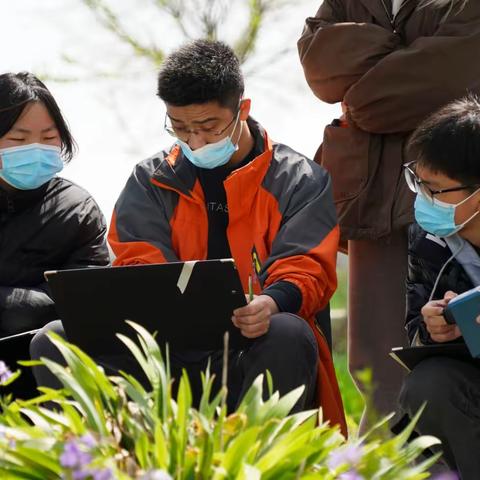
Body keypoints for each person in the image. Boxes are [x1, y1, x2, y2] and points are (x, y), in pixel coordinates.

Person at [31, 40, 347, 433]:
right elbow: (138, 265)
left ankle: (260, 463)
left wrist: (270, 301)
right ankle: (106, 465)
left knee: (288, 331)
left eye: (208, 127)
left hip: (254, 341)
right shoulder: (150, 180)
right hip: (162, 350)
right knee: (56, 339)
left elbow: (307, 267)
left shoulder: (300, 180)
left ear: (242, 110)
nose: (195, 141)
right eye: (180, 127)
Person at [297, 0, 480, 423]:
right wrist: (407, 49)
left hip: (457, 190)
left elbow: (453, 75)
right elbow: (320, 66)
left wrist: (362, 88)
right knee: (377, 363)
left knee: (453, 359)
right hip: (370, 198)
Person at [395, 95, 480, 479]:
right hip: (470, 384)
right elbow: (413, 329)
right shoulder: (429, 238)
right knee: (427, 385)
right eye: (419, 183)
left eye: (437, 190)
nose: (424, 200)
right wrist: (433, 330)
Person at [0, 72, 109, 338]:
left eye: (48, 138)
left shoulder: (78, 211)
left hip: (36, 356)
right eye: (18, 139)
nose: (35, 149)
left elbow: (84, 299)